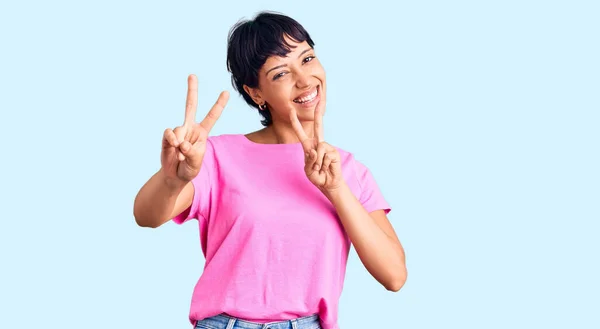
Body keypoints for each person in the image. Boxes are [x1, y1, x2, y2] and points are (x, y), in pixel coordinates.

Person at [133, 11, 407, 329]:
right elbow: (146, 216)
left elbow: (395, 276)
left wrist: (336, 189)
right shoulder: (217, 156)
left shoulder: (348, 170)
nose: (304, 80)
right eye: (280, 74)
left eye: (307, 59)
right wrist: (172, 179)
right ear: (256, 93)